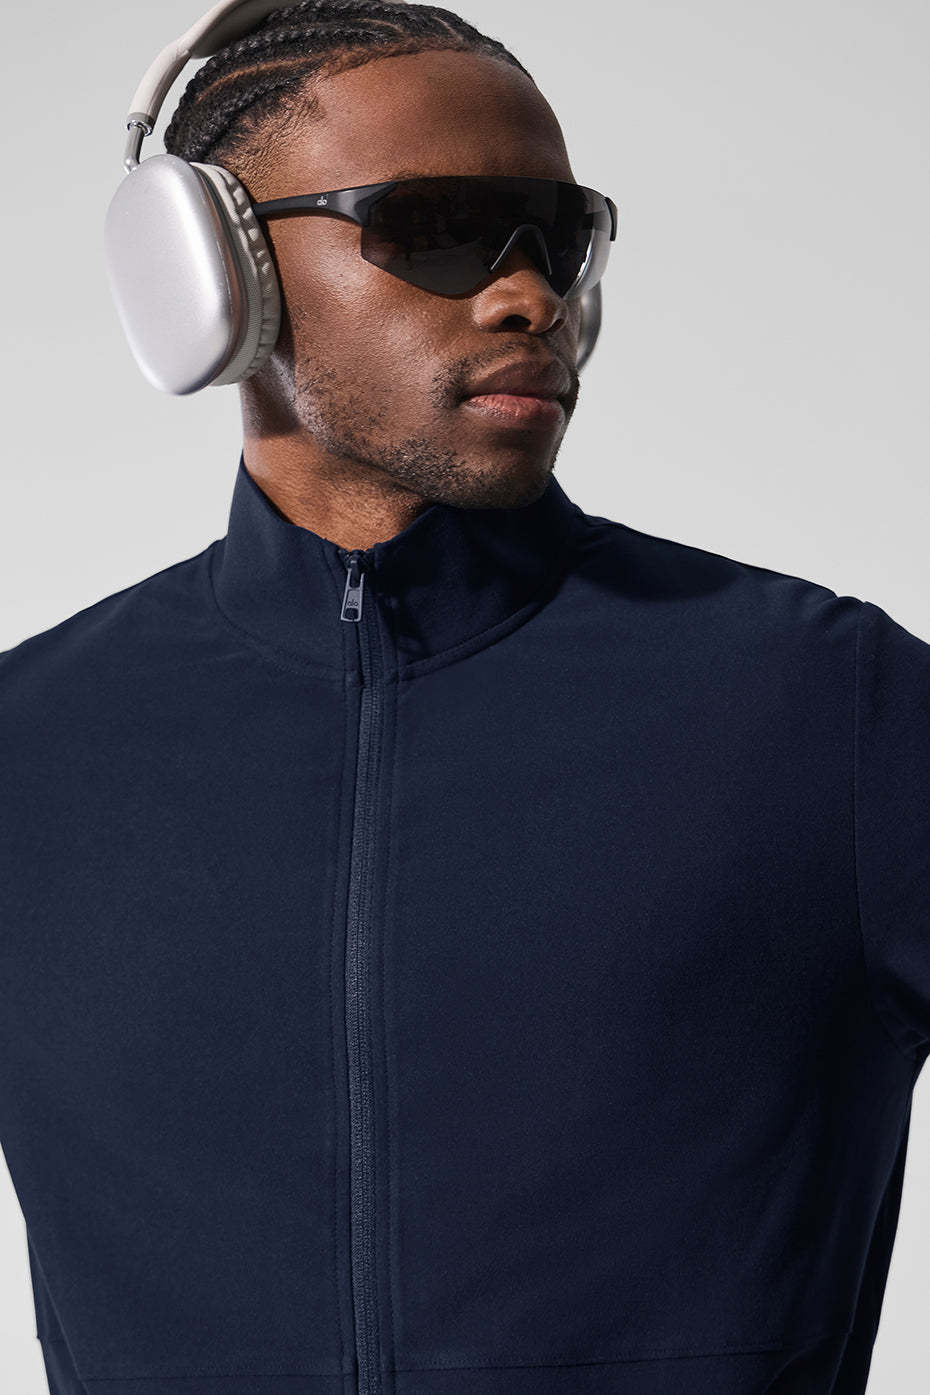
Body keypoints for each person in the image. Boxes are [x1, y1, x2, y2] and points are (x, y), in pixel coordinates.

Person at [1, 3, 928, 1394]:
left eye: (557, 239)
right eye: (434, 229)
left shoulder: (829, 705)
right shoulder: (30, 749)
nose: (529, 299)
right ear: (209, 272)